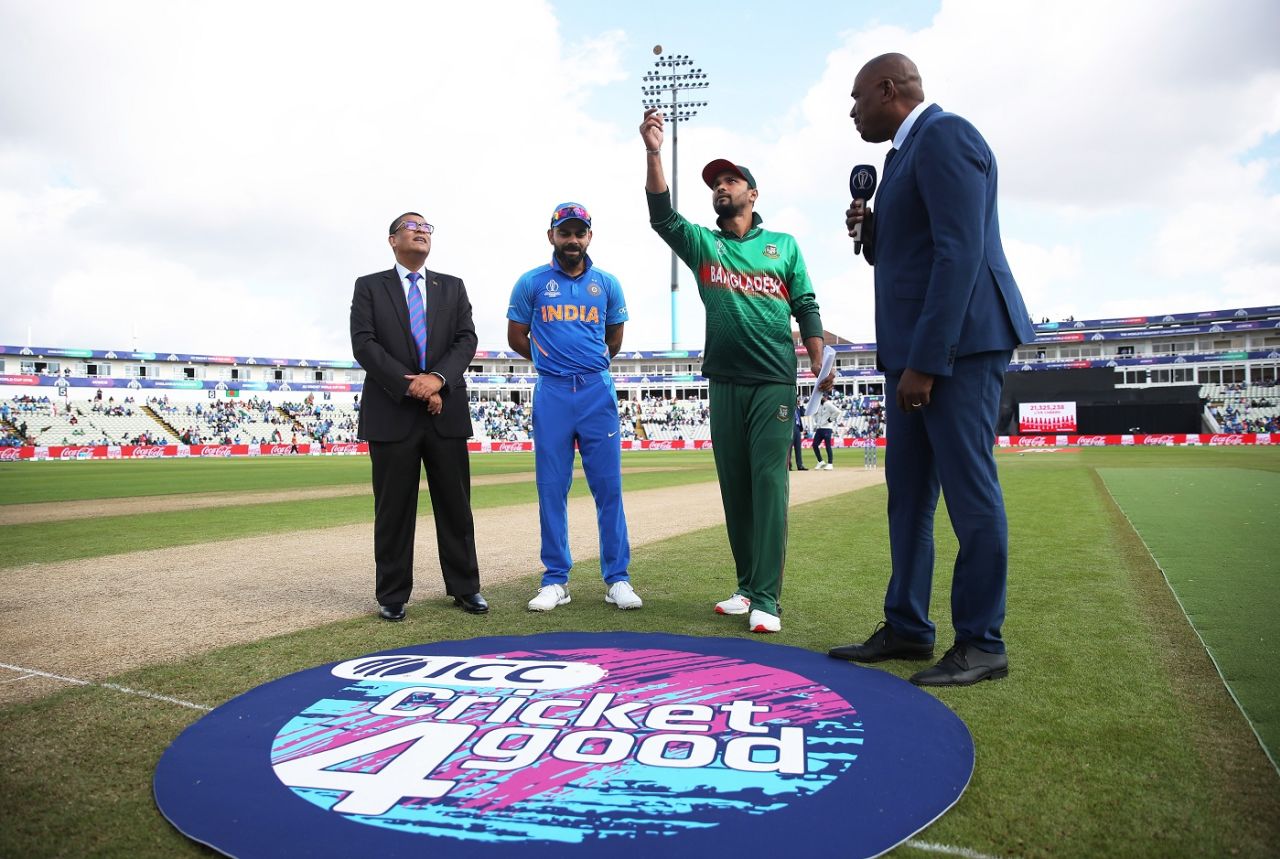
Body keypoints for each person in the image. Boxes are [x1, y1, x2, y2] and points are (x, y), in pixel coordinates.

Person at [830, 54, 1035, 685]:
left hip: (956, 350)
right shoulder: (899, 158)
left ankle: (981, 642)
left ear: (890, 90)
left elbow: (960, 252)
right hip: (914, 353)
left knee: (970, 498)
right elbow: (913, 258)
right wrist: (872, 233)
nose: (853, 111)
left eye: (859, 98)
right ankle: (910, 627)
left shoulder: (946, 134)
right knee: (909, 498)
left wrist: (925, 361)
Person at [641, 108, 833, 634]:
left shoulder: (784, 246)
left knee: (769, 484)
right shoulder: (707, 244)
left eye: (731, 181)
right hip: (723, 380)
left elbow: (806, 303)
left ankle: (767, 596)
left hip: (773, 377)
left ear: (753, 193)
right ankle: (747, 587)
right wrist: (655, 152)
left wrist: (819, 360)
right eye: (715, 184)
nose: (721, 188)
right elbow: (663, 218)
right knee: (735, 488)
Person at [350, 211, 487, 621]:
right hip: (392, 412)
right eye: (413, 226)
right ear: (393, 240)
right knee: (393, 509)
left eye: (427, 228)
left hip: (445, 411)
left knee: (456, 506)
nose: (422, 232)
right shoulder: (369, 286)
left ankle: (465, 588)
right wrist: (413, 384)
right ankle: (392, 594)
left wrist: (438, 380)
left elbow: (467, 340)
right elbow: (364, 344)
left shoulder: (453, 286)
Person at [507, 202, 641, 612]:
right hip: (552, 392)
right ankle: (555, 580)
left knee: (609, 489)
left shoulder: (607, 283)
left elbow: (614, 340)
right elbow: (517, 337)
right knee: (551, 488)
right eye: (564, 232)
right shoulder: (531, 283)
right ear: (552, 236)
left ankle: (617, 578)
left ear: (589, 237)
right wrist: (554, 364)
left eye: (579, 233)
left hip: (597, 393)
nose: (572, 240)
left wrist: (584, 365)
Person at [810, 394, 840, 469]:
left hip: (827, 428)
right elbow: (815, 414)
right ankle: (820, 461)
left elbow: (837, 411)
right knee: (814, 445)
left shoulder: (828, 404)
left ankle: (830, 463)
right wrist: (816, 421)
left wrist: (830, 419)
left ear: (825, 397)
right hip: (819, 428)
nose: (821, 398)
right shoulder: (818, 405)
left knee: (827, 445)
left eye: (822, 396)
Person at [787, 394, 808, 471]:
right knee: (789, 448)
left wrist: (801, 405)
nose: (798, 400)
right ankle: (788, 465)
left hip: (798, 428)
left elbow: (803, 413)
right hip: (791, 428)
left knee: (798, 448)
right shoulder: (789, 407)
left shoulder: (797, 408)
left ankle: (800, 465)